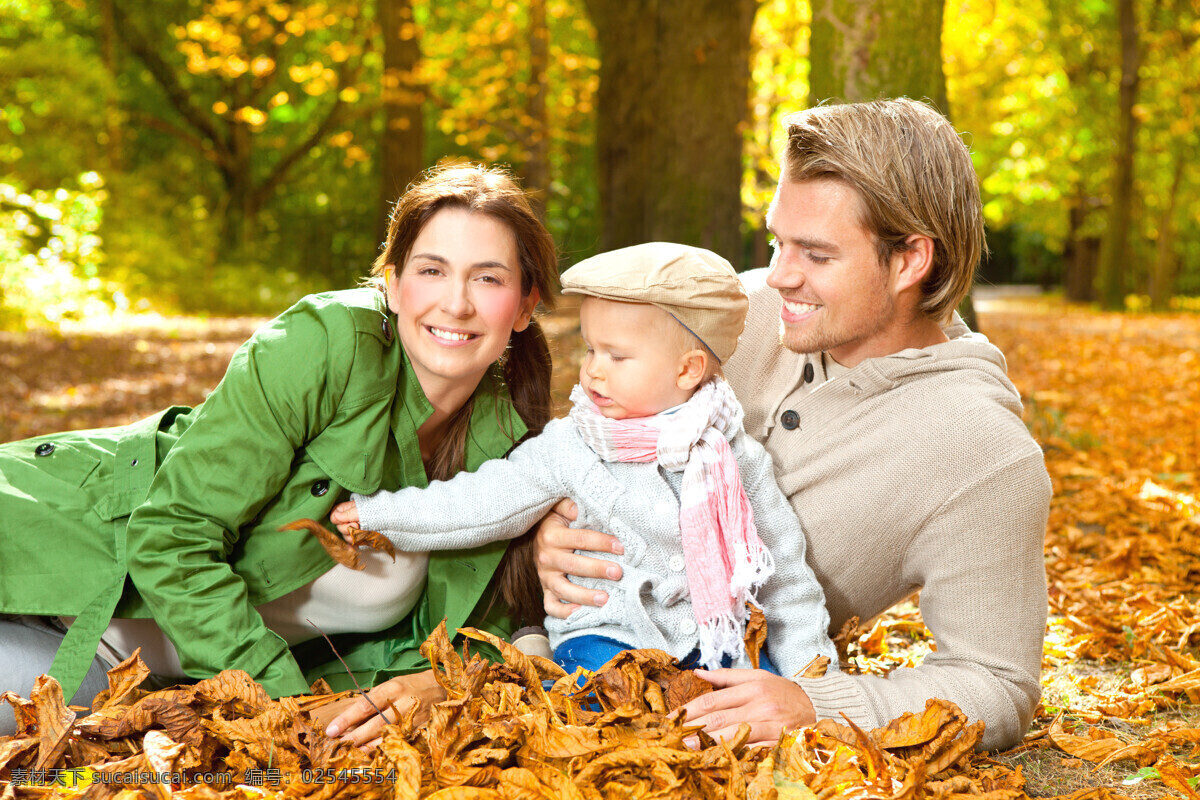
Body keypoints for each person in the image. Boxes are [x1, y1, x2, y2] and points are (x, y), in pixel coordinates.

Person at [534, 99, 1053, 751]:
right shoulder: (738, 314)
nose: (778, 275)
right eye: (779, 240)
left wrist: (820, 703)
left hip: (686, 706)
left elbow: (998, 682)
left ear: (909, 261)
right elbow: (591, 437)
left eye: (815, 254)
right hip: (558, 636)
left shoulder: (982, 452)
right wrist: (554, 528)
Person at [0, 164, 557, 741]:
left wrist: (444, 681)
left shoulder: (517, 449)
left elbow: (497, 629)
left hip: (122, 678)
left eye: (488, 279)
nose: (457, 303)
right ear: (392, 283)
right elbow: (172, 533)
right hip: (49, 555)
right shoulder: (327, 346)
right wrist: (286, 708)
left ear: (524, 306)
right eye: (431, 270)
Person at [330, 242, 838, 680]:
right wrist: (380, 516)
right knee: (595, 696)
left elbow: (785, 578)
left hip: (714, 638)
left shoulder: (733, 457)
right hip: (606, 633)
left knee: (756, 695)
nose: (592, 371)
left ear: (687, 370)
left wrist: (813, 681)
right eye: (591, 349)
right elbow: (482, 501)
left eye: (616, 357)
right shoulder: (574, 444)